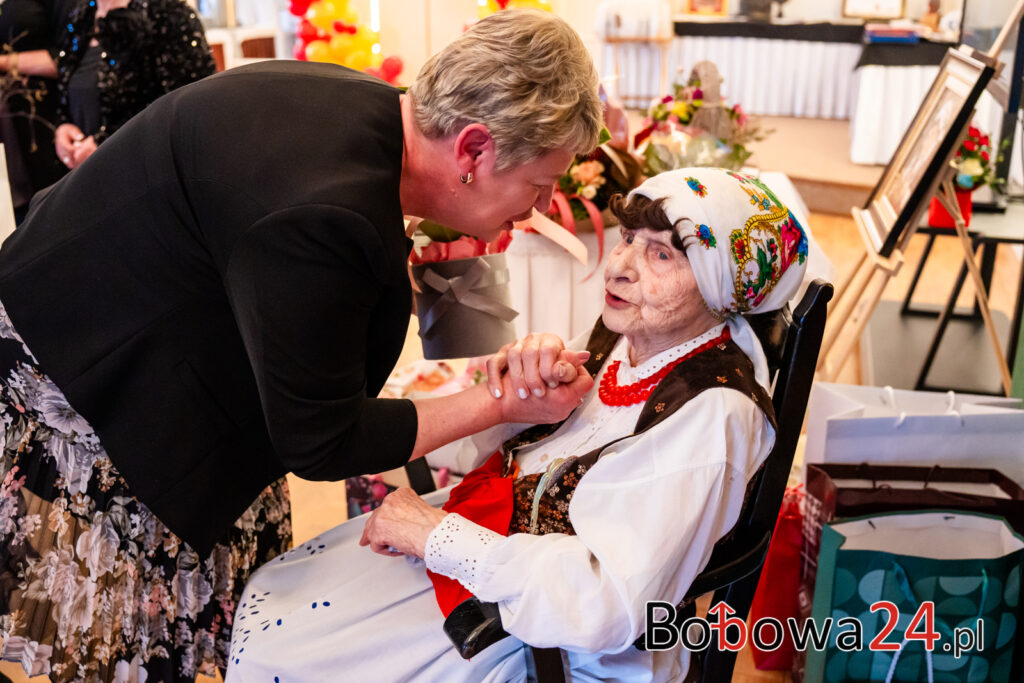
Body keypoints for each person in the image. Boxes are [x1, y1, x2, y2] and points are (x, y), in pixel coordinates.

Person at [0, 9, 602, 681]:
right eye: (539, 186)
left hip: (161, 341)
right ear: (473, 150)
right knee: (138, 641)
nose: (538, 208)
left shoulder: (372, 115)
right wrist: (502, 403)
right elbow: (322, 439)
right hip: (88, 374)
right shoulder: (323, 207)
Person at [224, 168, 809, 682]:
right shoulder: (633, 336)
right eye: (630, 237)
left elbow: (605, 604)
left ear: (722, 287)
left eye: (661, 255)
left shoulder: (712, 417)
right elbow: (533, 449)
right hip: (505, 560)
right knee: (279, 591)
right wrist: (516, 395)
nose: (620, 266)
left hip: (549, 642)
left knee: (288, 651)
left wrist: (436, 536)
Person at [52, 0, 216, 170]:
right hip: (89, 174)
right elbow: (68, 93)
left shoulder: (168, 14)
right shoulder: (81, 17)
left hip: (146, 172)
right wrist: (63, 127)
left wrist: (106, 143)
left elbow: (190, 106)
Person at [0, 0, 73, 223]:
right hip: (7, 139)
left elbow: (70, 58)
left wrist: (4, 62)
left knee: (46, 218)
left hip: (43, 131)